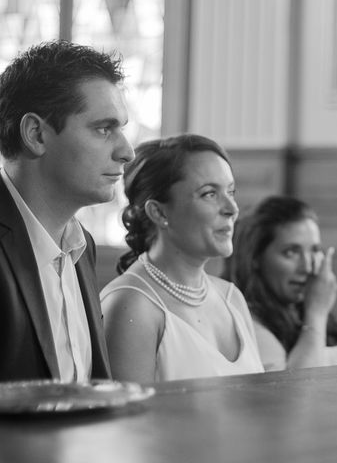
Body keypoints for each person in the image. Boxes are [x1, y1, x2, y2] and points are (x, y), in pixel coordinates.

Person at [0, 40, 134, 382]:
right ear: (36, 134)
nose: (127, 151)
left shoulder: (80, 245)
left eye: (122, 129)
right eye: (104, 129)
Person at [100, 134, 264, 382]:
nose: (232, 208)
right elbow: (127, 420)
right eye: (209, 194)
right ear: (158, 211)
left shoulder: (231, 298)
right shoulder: (130, 306)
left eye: (231, 191)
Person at [225, 195, 337, 371]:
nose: (307, 267)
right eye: (291, 252)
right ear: (255, 258)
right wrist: (317, 312)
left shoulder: (295, 310)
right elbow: (298, 391)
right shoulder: (245, 320)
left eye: (314, 250)